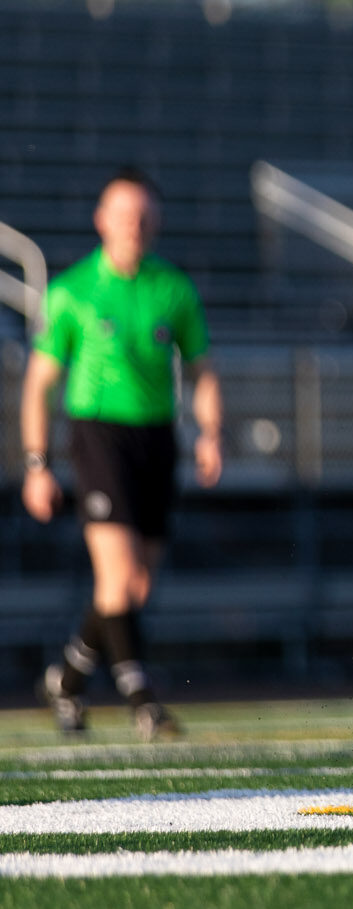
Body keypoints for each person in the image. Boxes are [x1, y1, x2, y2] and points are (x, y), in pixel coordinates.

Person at [20, 169, 224, 737]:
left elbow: (203, 371)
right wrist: (37, 464)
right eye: (124, 214)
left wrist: (211, 432)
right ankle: (143, 697)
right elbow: (38, 384)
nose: (134, 225)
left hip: (157, 439)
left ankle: (67, 677)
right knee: (119, 572)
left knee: (133, 588)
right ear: (101, 220)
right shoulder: (73, 292)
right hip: (98, 435)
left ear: (156, 222)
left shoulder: (174, 289)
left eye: (144, 215)